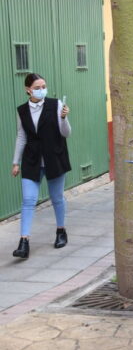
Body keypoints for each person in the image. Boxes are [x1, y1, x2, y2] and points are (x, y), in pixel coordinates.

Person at [11, 73, 72, 259]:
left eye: (43, 86)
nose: (41, 90)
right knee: (28, 200)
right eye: (37, 87)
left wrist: (63, 118)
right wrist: (16, 162)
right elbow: (21, 136)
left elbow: (66, 133)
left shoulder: (56, 105)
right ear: (27, 89)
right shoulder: (22, 110)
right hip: (32, 160)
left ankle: (61, 231)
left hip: (54, 158)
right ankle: (24, 241)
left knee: (57, 198)